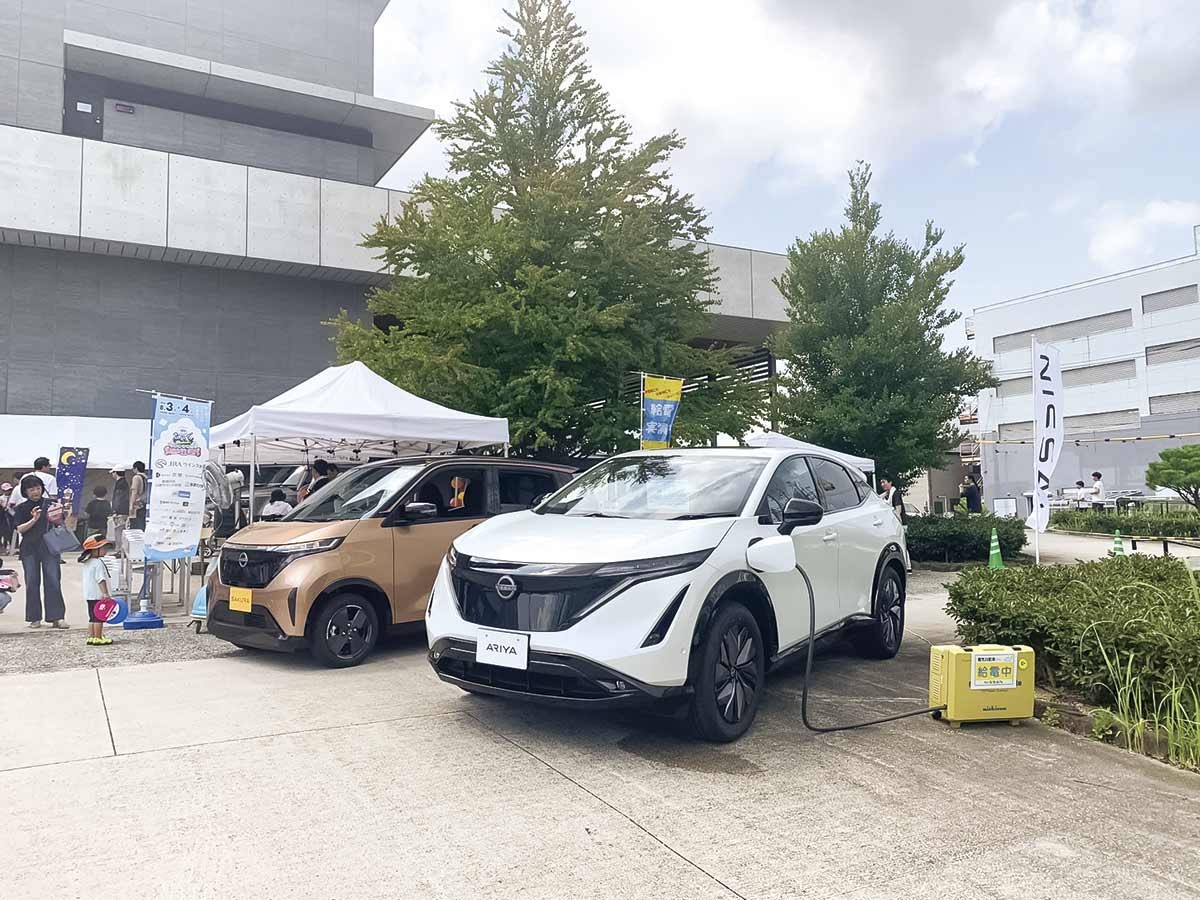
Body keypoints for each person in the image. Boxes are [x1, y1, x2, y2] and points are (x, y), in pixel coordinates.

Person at [12, 474, 67, 628]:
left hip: (50, 547)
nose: (35, 492)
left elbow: (60, 523)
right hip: (29, 549)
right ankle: (34, 617)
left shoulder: (51, 504)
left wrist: (60, 515)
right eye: (31, 489)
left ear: (42, 488)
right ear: (25, 491)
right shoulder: (21, 508)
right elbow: (20, 529)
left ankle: (57, 617)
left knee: (53, 581)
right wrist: (34, 519)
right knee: (32, 583)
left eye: (37, 488)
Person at [79, 534, 116, 646]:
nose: (105, 550)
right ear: (95, 550)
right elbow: (101, 579)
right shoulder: (98, 563)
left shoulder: (86, 562)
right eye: (103, 548)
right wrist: (105, 593)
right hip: (97, 595)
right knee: (99, 617)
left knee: (92, 617)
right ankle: (98, 637)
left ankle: (92, 637)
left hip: (89, 595)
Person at [129, 461, 148, 531]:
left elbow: (134, 492)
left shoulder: (136, 477)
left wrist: (131, 505)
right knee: (142, 526)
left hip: (137, 505)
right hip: (145, 503)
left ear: (136, 468)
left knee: (136, 527)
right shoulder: (146, 477)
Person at [0, 482, 13, 552]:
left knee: (10, 531)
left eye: (9, 490)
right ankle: (3, 547)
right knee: (3, 531)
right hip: (2, 517)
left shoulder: (12, 497)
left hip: (11, 515)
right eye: (6, 490)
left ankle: (11, 546)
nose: (8, 491)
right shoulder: (1, 498)